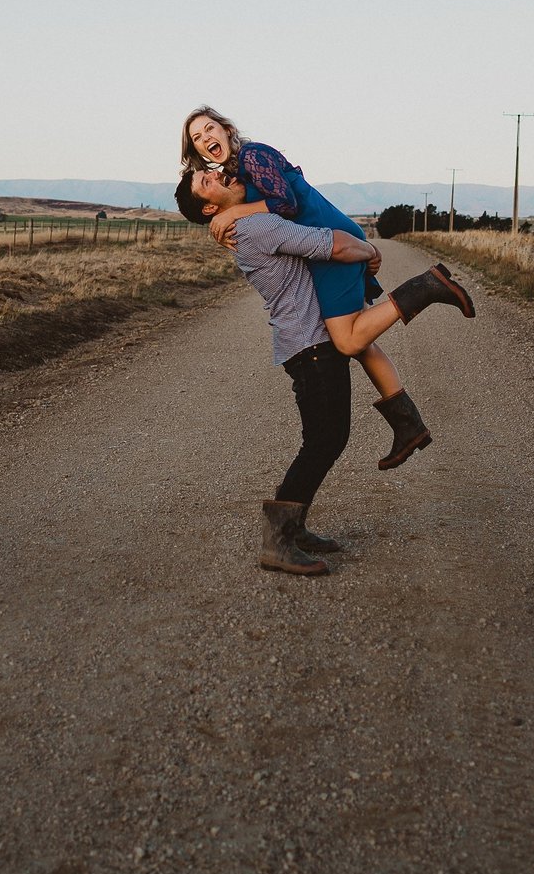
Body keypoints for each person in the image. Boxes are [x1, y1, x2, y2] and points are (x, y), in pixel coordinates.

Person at [174, 162, 475, 575]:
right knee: (324, 441)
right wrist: (369, 250)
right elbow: (333, 245)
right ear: (209, 210)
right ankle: (277, 541)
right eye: (206, 183)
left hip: (308, 345)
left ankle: (292, 529)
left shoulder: (248, 224)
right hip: (311, 348)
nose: (218, 176)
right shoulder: (255, 228)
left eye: (211, 173)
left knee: (323, 439)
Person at [179, 106, 436, 467]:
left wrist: (234, 213)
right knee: (361, 343)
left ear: (226, 129)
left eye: (209, 129)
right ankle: (408, 426)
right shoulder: (235, 177)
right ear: (197, 152)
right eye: (197, 137)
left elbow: (286, 203)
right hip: (324, 246)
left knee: (347, 339)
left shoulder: (253, 155)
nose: (206, 138)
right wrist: (226, 213)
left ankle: (425, 287)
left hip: (333, 245)